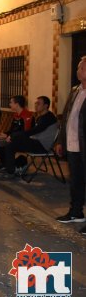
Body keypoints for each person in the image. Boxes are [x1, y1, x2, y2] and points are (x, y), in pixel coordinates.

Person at [55, 56, 86, 234]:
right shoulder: (75, 91)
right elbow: (66, 116)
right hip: (72, 143)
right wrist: (60, 141)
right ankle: (75, 211)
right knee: (75, 180)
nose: (77, 71)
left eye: (81, 68)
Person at [0, 96, 58, 178]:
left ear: (46, 106)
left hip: (42, 146)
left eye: (38, 103)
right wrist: (12, 136)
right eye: (35, 103)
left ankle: (11, 171)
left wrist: (13, 136)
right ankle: (12, 167)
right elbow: (31, 132)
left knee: (10, 145)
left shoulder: (48, 118)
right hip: (36, 142)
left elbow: (33, 131)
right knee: (10, 143)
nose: (36, 105)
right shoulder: (42, 116)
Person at [0, 95, 33, 170]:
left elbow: (25, 132)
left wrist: (9, 136)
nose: (9, 104)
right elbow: (12, 130)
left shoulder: (27, 116)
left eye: (11, 102)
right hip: (15, 137)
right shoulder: (16, 115)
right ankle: (5, 163)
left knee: (7, 145)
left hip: (24, 140)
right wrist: (5, 134)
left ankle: (10, 167)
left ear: (17, 104)